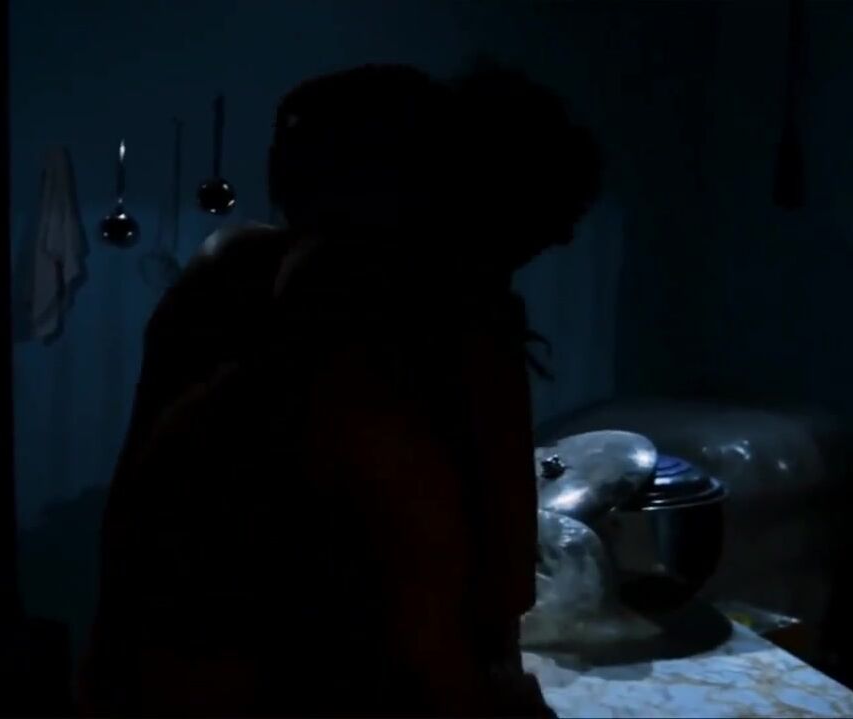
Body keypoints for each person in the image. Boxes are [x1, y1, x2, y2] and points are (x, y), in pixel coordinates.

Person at [80, 62, 601, 717]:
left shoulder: (233, 281)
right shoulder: (417, 342)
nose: (559, 241)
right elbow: (482, 597)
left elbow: (130, 546)